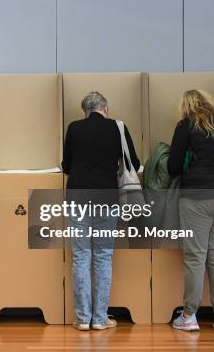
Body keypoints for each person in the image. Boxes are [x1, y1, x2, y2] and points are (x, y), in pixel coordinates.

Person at [62, 91, 140, 331]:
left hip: (78, 198)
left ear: (84, 111)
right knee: (103, 257)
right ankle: (100, 318)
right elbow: (133, 164)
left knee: (81, 257)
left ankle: (83, 318)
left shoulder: (74, 128)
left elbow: (67, 165)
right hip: (107, 198)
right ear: (105, 108)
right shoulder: (118, 127)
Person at [168, 90, 214, 332]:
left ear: (186, 106)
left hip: (197, 197)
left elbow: (173, 167)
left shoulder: (186, 125)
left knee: (195, 256)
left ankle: (189, 315)